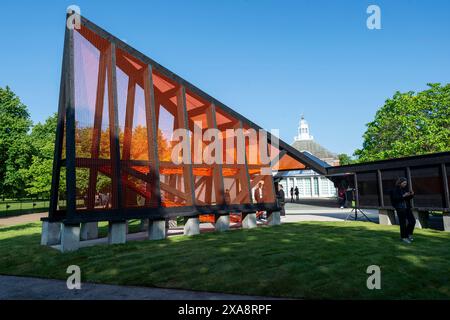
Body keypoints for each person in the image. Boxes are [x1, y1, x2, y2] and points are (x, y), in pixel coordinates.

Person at [390, 177, 416, 244]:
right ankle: (404, 237)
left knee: (412, 221)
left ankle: (408, 234)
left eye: (406, 183)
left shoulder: (404, 189)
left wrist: (411, 195)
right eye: (404, 183)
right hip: (400, 208)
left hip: (407, 207)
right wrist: (403, 196)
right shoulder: (395, 190)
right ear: (400, 183)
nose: (405, 184)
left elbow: (407, 198)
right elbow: (395, 199)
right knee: (403, 223)